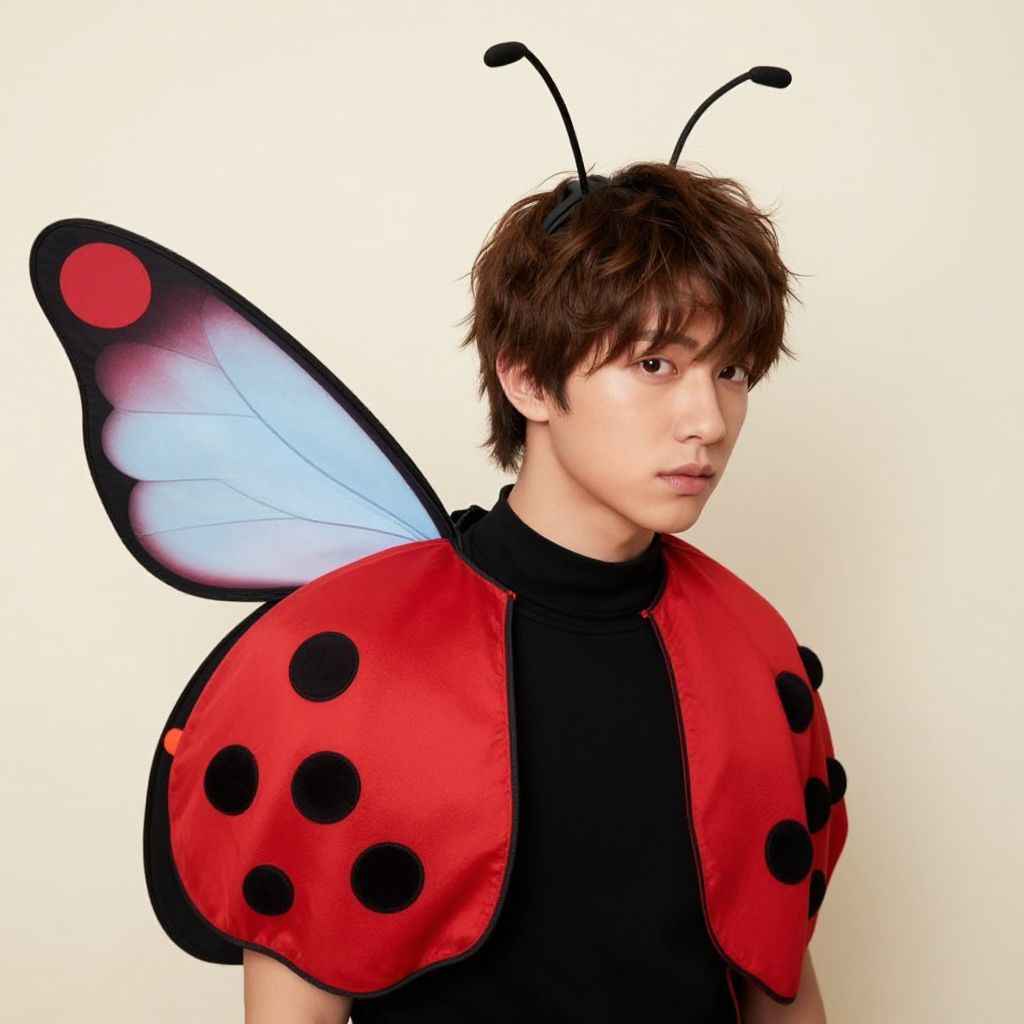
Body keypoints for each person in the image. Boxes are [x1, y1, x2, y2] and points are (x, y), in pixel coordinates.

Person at [242, 158, 837, 1023]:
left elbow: (777, 972)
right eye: (656, 363)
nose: (708, 421)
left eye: (734, 371)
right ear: (526, 378)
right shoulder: (367, 647)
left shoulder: (752, 648)